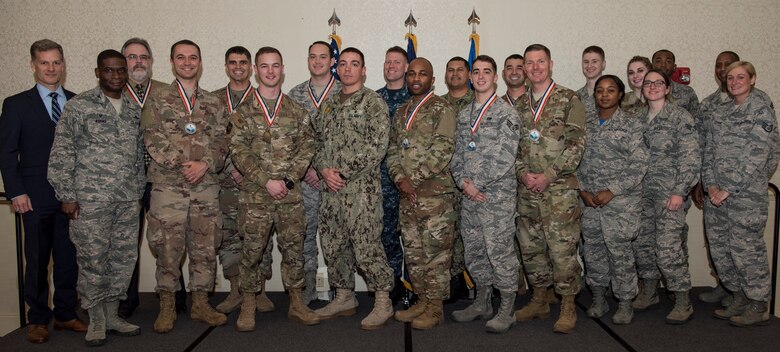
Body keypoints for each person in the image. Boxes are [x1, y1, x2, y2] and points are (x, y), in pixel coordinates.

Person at [48, 49, 145, 346]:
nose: (115, 75)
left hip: (127, 201)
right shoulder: (79, 106)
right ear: (97, 72)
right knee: (92, 259)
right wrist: (67, 194)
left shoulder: (132, 108)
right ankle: (97, 319)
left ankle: (114, 314)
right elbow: (63, 152)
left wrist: (139, 192)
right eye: (108, 70)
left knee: (123, 258)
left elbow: (139, 155)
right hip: (91, 200)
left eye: (120, 70)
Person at [0, 39, 87, 344]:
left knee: (67, 258)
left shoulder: (78, 102)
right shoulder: (16, 104)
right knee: (37, 261)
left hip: (72, 197)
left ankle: (65, 313)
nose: (51, 68)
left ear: (63, 64)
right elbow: (7, 153)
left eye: (56, 62)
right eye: (44, 63)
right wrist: (16, 192)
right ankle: (37, 318)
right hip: (34, 196)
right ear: (33, 65)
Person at [141, 39, 229, 333]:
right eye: (181, 57)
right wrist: (184, 165)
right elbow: (153, 138)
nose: (187, 62)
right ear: (172, 62)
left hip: (205, 186)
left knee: (205, 246)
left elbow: (222, 141)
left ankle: (201, 304)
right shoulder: (156, 98)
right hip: (168, 187)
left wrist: (204, 164)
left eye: (193, 58)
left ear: (200, 62)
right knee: (167, 247)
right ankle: (167, 305)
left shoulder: (214, 102)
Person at [230, 47, 319, 331]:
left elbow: (307, 147)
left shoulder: (296, 110)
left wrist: (289, 180)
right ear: (256, 70)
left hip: (290, 196)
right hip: (255, 196)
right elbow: (238, 150)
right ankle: (248, 303)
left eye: (275, 66)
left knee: (294, 250)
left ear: (282, 69)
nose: (270, 71)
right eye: (264, 66)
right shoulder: (242, 112)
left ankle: (296, 302)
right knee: (252, 252)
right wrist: (265, 180)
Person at [311, 47, 395, 330]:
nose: (348, 69)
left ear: (363, 70)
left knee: (366, 247)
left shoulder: (373, 102)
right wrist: (324, 170)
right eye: (343, 64)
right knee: (333, 246)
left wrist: (343, 173)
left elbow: (378, 147)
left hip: (361, 193)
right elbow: (318, 144)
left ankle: (383, 299)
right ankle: (344, 296)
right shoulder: (330, 104)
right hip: (330, 191)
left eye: (354, 64)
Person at [514, 44, 585, 334]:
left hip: (558, 192)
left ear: (551, 64)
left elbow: (577, 144)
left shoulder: (569, 99)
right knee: (531, 249)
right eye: (529, 63)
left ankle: (568, 304)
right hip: (527, 191)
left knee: (562, 250)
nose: (535, 67)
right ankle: (540, 298)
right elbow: (512, 149)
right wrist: (522, 174)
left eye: (540, 61)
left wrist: (548, 174)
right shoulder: (518, 105)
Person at [703, 61, 778, 327]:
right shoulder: (721, 111)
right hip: (716, 196)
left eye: (741, 77)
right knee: (721, 248)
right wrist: (710, 184)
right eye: (731, 78)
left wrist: (729, 188)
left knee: (747, 251)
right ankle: (738, 296)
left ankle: (758, 304)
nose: (734, 82)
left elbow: (758, 156)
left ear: (753, 79)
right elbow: (709, 150)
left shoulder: (761, 110)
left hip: (745, 197)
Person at [450, 55, 521, 334]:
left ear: (495, 78)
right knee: (475, 251)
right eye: (476, 71)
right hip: (470, 197)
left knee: (500, 253)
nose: (480, 76)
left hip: (496, 198)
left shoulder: (507, 113)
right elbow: (456, 154)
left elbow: (505, 157)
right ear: (471, 77)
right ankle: (482, 302)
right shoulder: (464, 113)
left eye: (486, 72)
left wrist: (476, 183)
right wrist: (462, 182)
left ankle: (507, 309)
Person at [119, 37, 188, 319]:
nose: (138, 62)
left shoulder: (167, 92)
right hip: (124, 182)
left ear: (151, 61)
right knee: (125, 243)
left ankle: (175, 296)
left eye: (143, 57)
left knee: (169, 242)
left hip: (162, 180)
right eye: (132, 57)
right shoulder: (112, 92)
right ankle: (126, 298)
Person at [387, 58, 457, 330]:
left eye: (423, 74)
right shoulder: (402, 111)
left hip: (434, 198)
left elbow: (442, 151)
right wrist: (400, 179)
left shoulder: (443, 109)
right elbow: (393, 150)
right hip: (408, 197)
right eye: (412, 73)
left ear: (432, 79)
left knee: (436, 255)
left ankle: (436, 308)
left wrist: (411, 179)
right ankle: (423, 300)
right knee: (414, 254)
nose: (416, 78)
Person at [578, 75, 648, 325]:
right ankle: (598, 298)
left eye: (610, 90)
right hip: (590, 202)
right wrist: (583, 190)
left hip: (620, 203)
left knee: (620, 254)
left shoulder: (632, 125)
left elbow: (639, 164)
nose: (604, 95)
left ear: (620, 94)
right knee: (593, 251)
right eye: (599, 90)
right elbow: (575, 160)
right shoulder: (584, 125)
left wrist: (613, 190)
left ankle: (625, 301)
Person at [632, 69, 699, 325]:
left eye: (658, 83)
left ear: (668, 88)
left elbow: (691, 158)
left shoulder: (680, 117)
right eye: (648, 83)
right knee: (644, 245)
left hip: (669, 196)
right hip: (642, 195)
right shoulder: (637, 118)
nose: (652, 87)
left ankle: (683, 300)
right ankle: (650, 293)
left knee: (668, 248)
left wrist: (679, 191)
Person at [213, 46, 275, 315]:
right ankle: (237, 289)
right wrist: (231, 169)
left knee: (261, 238)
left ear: (251, 67)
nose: (237, 67)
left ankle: (258, 290)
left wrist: (250, 173)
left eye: (243, 62)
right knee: (229, 238)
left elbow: (274, 146)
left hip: (258, 185)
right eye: (232, 62)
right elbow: (212, 142)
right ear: (226, 67)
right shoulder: (214, 100)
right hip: (226, 182)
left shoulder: (265, 97)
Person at [287, 40, 342, 305]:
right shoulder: (295, 94)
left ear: (333, 61)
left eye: (323, 57)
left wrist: (329, 172)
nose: (318, 61)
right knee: (305, 235)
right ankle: (308, 285)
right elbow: (288, 139)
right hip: (305, 180)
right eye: (313, 57)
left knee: (338, 236)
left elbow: (350, 141)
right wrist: (308, 168)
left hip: (336, 181)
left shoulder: (345, 92)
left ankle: (342, 289)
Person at [376, 46, 410, 302]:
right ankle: (393, 285)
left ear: (406, 67)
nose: (391, 66)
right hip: (381, 181)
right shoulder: (373, 99)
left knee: (413, 236)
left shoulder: (416, 98)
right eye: (388, 62)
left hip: (411, 180)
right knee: (386, 234)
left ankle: (415, 286)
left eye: (397, 62)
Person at [440, 55, 475, 303]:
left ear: (469, 74)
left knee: (472, 234)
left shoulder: (479, 102)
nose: (455, 74)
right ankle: (455, 280)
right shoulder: (436, 104)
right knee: (448, 234)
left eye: (460, 70)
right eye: (450, 70)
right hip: (442, 182)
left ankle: (479, 284)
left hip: (472, 182)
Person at [576, 46, 606, 118]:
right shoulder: (575, 97)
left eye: (594, 61)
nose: (589, 65)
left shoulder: (612, 95)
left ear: (603, 64)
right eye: (586, 62)